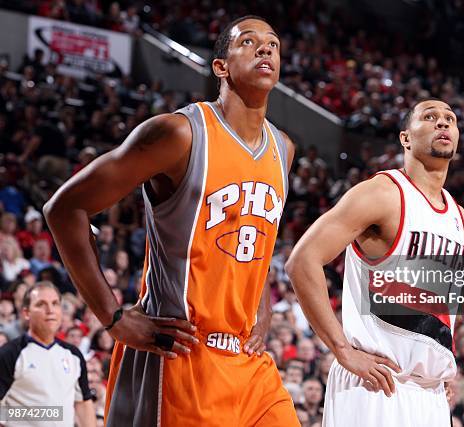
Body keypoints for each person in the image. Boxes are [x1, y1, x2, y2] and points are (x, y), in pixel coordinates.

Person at [44, 15, 299, 427]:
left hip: (249, 363)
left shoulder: (282, 149)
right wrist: (113, 317)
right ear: (221, 66)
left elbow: (250, 234)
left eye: (273, 43)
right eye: (249, 42)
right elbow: (64, 209)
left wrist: (263, 300)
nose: (266, 48)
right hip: (182, 353)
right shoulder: (179, 134)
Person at [287, 98, 464, 426]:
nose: (443, 123)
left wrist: (440, 362)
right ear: (405, 138)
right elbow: (302, 261)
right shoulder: (381, 194)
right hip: (376, 386)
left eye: (450, 119)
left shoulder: (461, 220)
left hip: (430, 396)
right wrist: (343, 351)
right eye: (430, 117)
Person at [0, 281, 95, 427]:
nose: (50, 310)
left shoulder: (73, 355)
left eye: (55, 303)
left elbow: (83, 403)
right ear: (26, 313)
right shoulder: (9, 354)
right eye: (41, 304)